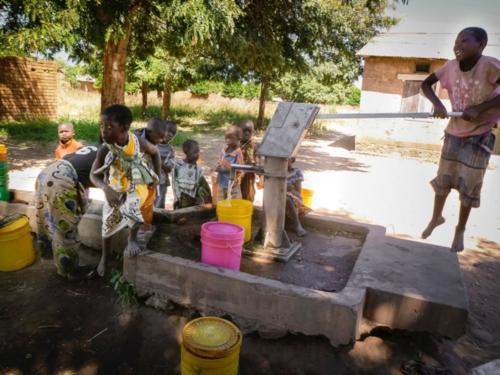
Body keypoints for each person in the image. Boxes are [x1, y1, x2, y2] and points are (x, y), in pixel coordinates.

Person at [421, 27, 500, 252]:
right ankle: (436, 218)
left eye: (464, 41)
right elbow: (425, 84)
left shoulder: (490, 66)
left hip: (481, 133)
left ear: (481, 45)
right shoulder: (450, 67)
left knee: (469, 185)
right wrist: (437, 103)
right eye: (456, 40)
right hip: (454, 132)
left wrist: (481, 108)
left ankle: (460, 230)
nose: (458, 44)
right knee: (443, 180)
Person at [90, 105, 161, 277]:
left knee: (134, 202)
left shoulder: (138, 142)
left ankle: (132, 238)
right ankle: (105, 258)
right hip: (114, 187)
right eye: (101, 126)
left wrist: (156, 178)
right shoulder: (105, 147)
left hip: (136, 183)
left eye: (108, 126)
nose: (104, 130)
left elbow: (156, 153)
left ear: (124, 128)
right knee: (107, 221)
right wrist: (105, 189)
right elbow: (93, 175)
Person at [35, 145, 98, 280]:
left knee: (49, 222)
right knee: (67, 229)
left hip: (47, 173)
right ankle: (71, 271)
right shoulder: (113, 156)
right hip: (61, 179)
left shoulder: (96, 148)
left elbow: (82, 176)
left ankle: (56, 261)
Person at [135, 118, 175, 208]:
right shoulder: (135, 140)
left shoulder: (157, 143)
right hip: (136, 181)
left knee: (153, 204)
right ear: (150, 132)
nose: (160, 141)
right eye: (159, 138)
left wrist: (157, 178)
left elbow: (157, 158)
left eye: (162, 138)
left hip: (152, 181)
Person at [172, 140, 211, 209]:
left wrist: (200, 199)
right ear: (186, 152)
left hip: (194, 203)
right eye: (195, 152)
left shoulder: (199, 169)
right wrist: (178, 199)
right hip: (180, 201)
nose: (197, 155)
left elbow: (202, 186)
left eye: (198, 152)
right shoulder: (178, 166)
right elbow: (175, 183)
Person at [215, 125, 243, 202]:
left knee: (233, 204)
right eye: (226, 137)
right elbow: (221, 161)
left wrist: (225, 169)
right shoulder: (224, 150)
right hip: (222, 182)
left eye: (231, 138)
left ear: (239, 138)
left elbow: (239, 169)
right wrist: (218, 167)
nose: (227, 140)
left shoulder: (238, 153)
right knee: (220, 203)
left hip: (232, 185)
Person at [286, 157, 311, 237]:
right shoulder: (276, 172)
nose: (285, 162)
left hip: (293, 195)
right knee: (286, 198)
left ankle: (297, 226)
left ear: (292, 160)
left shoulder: (296, 172)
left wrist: (290, 188)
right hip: (279, 195)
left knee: (287, 199)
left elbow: (298, 192)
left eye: (287, 160)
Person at [237, 119, 258, 202]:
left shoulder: (254, 146)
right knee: (236, 195)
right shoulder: (235, 145)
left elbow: (257, 160)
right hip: (237, 174)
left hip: (249, 176)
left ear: (253, 132)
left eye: (249, 131)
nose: (247, 133)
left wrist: (260, 176)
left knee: (248, 195)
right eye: (244, 130)